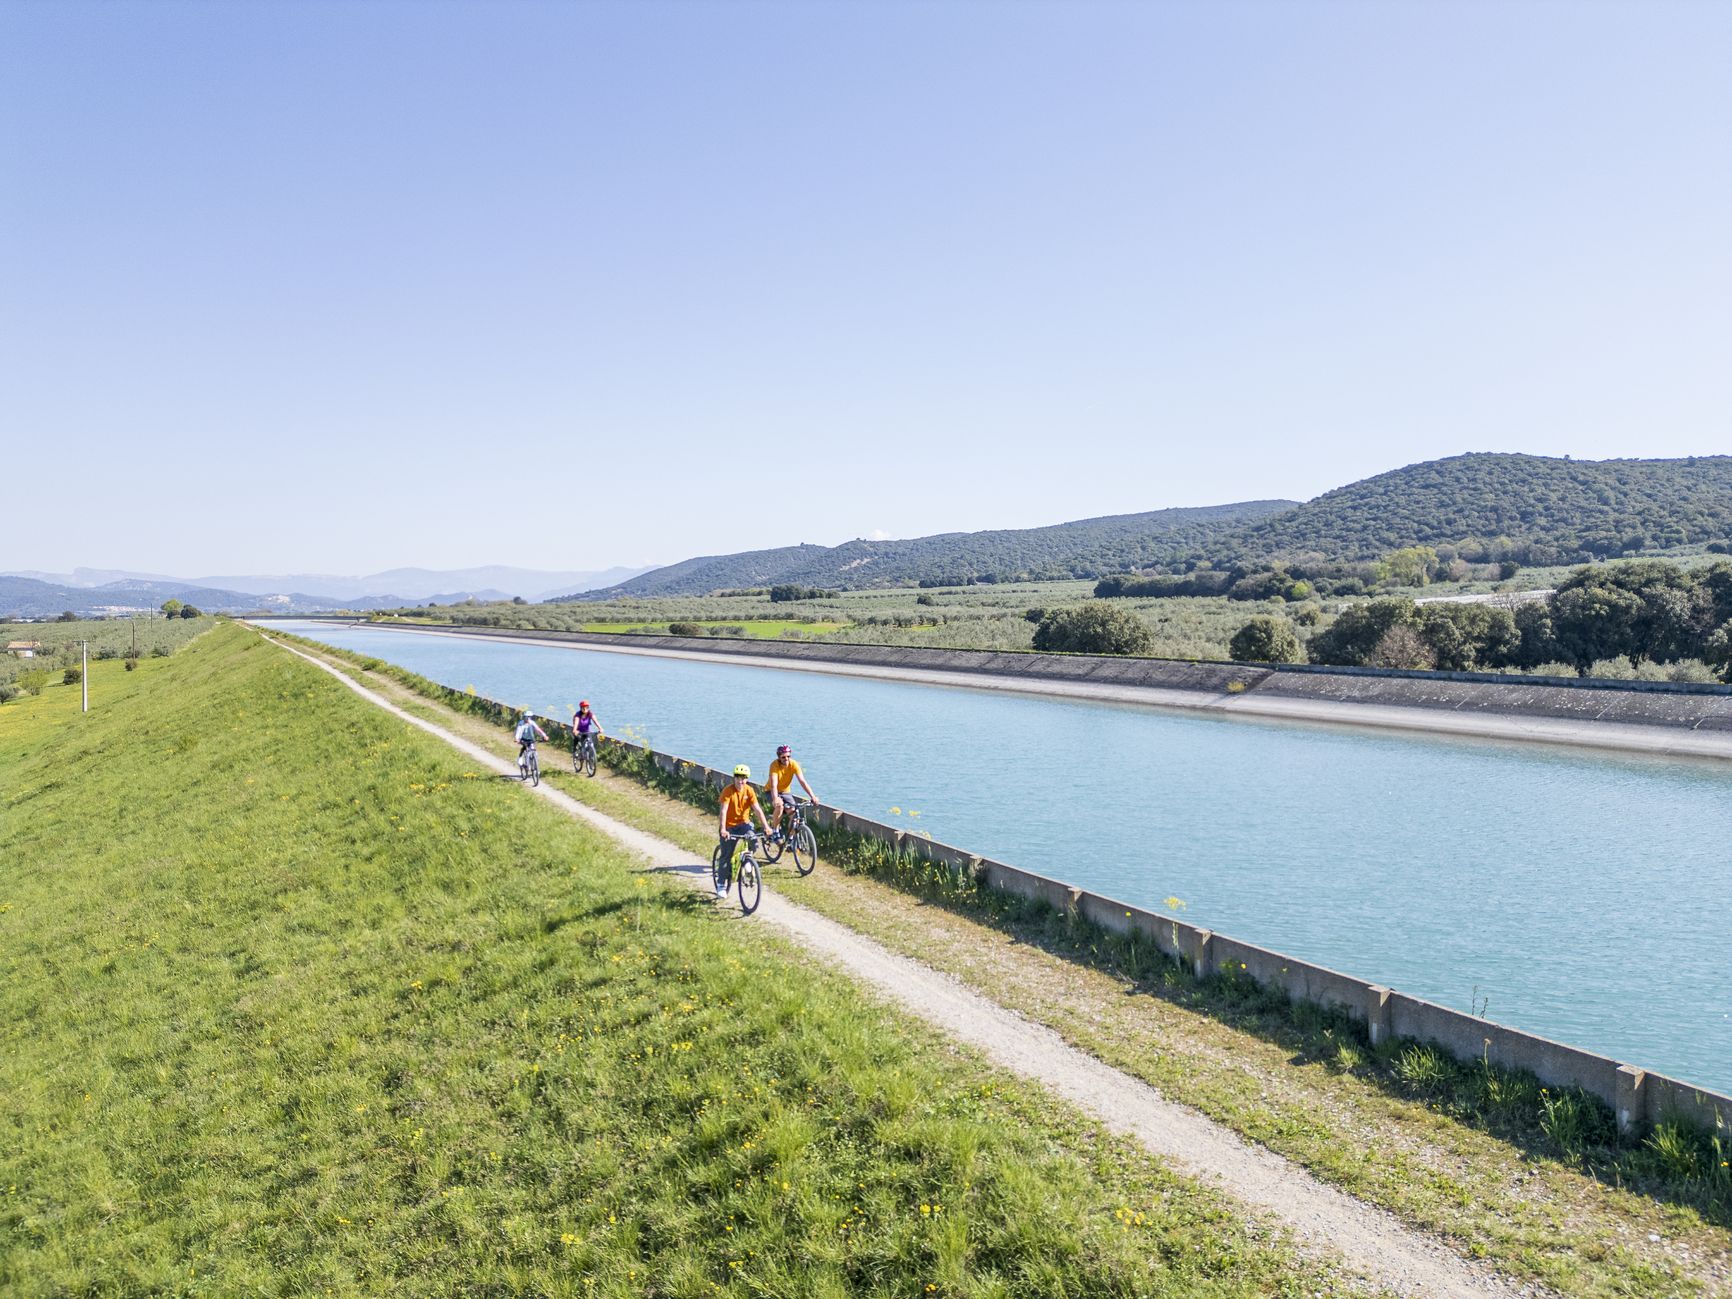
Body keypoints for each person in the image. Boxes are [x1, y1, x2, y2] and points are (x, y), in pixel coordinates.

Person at [716, 763, 772, 896]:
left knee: (753, 838)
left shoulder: (749, 791)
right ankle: (721, 885)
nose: (740, 781)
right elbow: (723, 811)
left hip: (744, 824)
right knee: (725, 857)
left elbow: (757, 810)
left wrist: (766, 827)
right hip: (729, 826)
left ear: (747, 779)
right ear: (734, 778)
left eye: (743, 778)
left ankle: (747, 859)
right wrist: (723, 829)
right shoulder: (728, 791)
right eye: (738, 778)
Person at [764, 743, 818, 840]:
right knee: (779, 805)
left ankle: (790, 839)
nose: (786, 759)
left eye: (788, 756)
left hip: (785, 792)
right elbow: (773, 785)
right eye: (783, 757)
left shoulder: (794, 764)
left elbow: (802, 781)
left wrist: (813, 796)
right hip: (771, 791)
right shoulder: (774, 765)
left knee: (795, 816)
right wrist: (775, 798)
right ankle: (775, 831)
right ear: (779, 757)